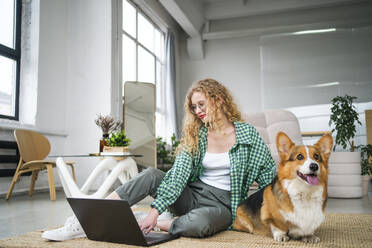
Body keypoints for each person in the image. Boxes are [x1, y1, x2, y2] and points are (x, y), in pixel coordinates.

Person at [42, 78, 276, 241]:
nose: (198, 111)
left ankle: (139, 221)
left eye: (201, 104)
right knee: (153, 175)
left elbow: (268, 177)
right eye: (194, 107)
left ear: (219, 100)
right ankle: (88, 218)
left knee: (199, 225)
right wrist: (156, 208)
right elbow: (178, 175)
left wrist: (273, 212)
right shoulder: (197, 134)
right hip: (192, 194)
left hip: (223, 204)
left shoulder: (247, 135)